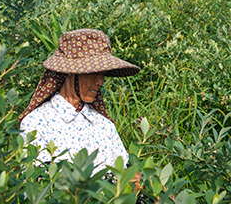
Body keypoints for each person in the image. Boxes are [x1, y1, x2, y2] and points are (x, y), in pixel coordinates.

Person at [18, 28, 141, 187]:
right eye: (93, 73)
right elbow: (39, 186)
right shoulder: (36, 124)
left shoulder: (104, 126)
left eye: (103, 74)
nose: (100, 81)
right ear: (70, 73)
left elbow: (126, 170)